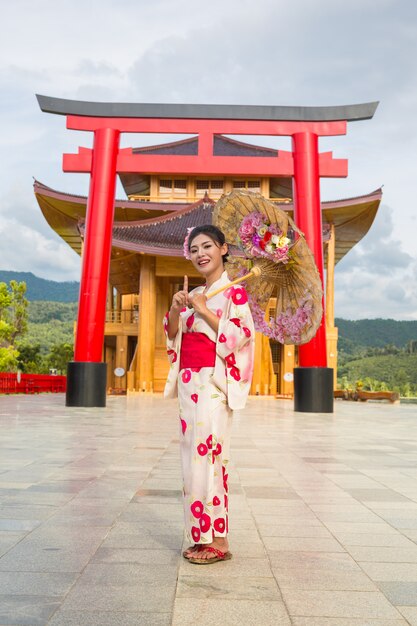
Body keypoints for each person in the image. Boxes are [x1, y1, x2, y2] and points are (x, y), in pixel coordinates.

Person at [163, 224, 255, 564]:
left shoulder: (235, 294)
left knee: (212, 460)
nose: (200, 253)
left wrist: (204, 311)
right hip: (190, 387)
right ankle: (201, 536)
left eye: (207, 246)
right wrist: (177, 309)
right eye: (194, 249)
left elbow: (242, 335)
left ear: (223, 248)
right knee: (192, 462)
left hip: (213, 386)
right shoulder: (198, 293)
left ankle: (221, 540)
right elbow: (173, 335)